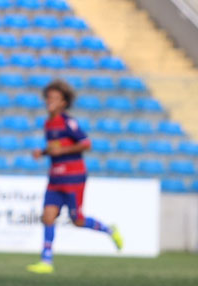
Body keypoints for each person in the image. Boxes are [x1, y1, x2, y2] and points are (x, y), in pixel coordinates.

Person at [26, 79, 124, 274]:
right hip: (55, 178)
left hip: (73, 177)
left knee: (77, 220)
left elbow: (86, 143)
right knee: (48, 216)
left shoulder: (68, 122)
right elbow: (55, 148)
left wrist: (61, 151)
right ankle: (46, 261)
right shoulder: (48, 123)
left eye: (55, 98)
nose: (50, 101)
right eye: (48, 97)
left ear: (63, 103)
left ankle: (109, 230)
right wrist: (43, 153)